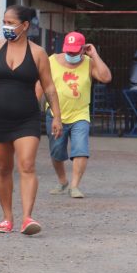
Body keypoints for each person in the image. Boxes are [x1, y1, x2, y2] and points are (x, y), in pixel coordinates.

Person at [0, 5, 62, 236]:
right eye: (4, 22)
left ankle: (27, 217)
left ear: (25, 25)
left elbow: (48, 86)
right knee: (3, 167)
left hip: (27, 118)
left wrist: (57, 116)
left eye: (11, 22)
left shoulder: (37, 53)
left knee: (27, 165)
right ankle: (7, 218)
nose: (6, 27)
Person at [38, 32, 111, 200]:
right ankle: (63, 181)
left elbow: (106, 77)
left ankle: (74, 186)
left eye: (74, 52)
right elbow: (41, 85)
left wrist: (94, 55)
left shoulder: (89, 63)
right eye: (68, 51)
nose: (71, 55)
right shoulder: (51, 61)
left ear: (83, 49)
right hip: (55, 114)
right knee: (56, 151)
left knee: (81, 149)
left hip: (80, 114)